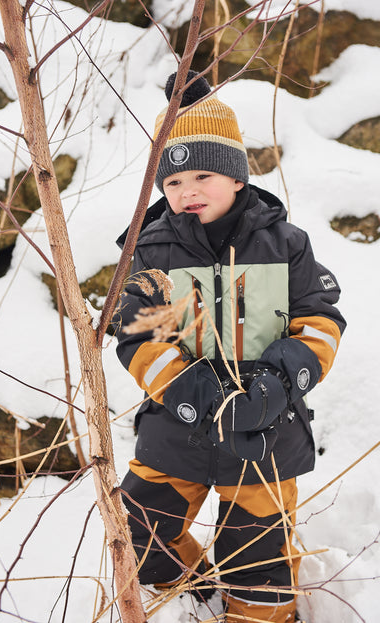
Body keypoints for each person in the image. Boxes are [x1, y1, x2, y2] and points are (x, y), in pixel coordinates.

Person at [114, 71, 346, 623]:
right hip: (178, 424)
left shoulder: (284, 245)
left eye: (203, 176)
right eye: (172, 183)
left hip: (264, 430)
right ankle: (186, 589)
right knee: (138, 534)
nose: (187, 191)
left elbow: (318, 320)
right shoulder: (150, 251)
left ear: (238, 177)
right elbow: (140, 334)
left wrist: (279, 383)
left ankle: (255, 613)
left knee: (257, 556)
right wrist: (188, 389)